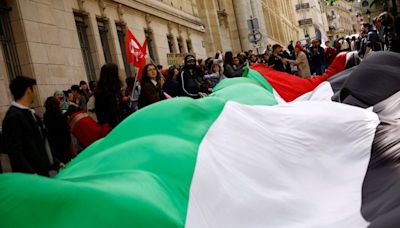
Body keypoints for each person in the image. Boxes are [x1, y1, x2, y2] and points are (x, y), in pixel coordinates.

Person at [1, 76, 63, 176]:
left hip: (44, 174)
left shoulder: (31, 114)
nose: (34, 93)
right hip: (32, 179)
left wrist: (55, 162)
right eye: (33, 88)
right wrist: (31, 174)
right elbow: (15, 153)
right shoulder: (13, 117)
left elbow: (43, 142)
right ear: (28, 90)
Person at [43, 96, 73, 164]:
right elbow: (67, 132)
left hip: (54, 145)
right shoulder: (60, 116)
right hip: (63, 144)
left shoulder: (45, 116)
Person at [95, 63, 124, 129]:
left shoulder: (114, 91)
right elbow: (112, 114)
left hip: (116, 125)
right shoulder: (106, 94)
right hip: (113, 128)